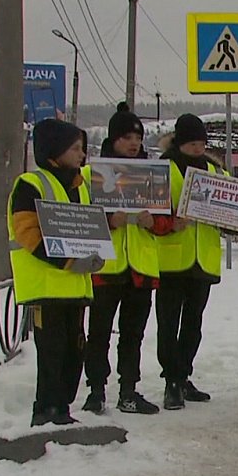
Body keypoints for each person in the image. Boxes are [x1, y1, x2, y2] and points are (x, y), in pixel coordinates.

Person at [9, 118, 104, 426]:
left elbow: (89, 229)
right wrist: (65, 261)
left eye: (82, 148)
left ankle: (62, 406)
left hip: (75, 287)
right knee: (51, 351)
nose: (81, 154)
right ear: (55, 151)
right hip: (46, 287)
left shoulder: (80, 186)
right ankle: (47, 408)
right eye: (75, 148)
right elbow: (27, 233)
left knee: (74, 352)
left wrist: (96, 256)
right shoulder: (30, 184)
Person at [81, 102, 170, 415]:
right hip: (106, 266)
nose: (134, 143)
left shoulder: (154, 175)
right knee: (100, 333)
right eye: (127, 137)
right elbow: (80, 218)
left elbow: (167, 220)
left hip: (141, 269)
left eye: (138, 137)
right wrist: (108, 221)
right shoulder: (92, 174)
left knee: (133, 335)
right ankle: (95, 391)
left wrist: (154, 223)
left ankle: (129, 390)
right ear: (113, 139)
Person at [155, 113, 222, 410]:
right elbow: (152, 209)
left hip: (202, 259)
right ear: (180, 142)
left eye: (201, 143)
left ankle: (183, 375)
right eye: (192, 143)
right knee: (168, 322)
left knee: (193, 322)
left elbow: (233, 205)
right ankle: (171, 378)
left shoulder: (215, 170)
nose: (198, 148)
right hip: (172, 258)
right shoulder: (164, 169)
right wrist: (172, 222)